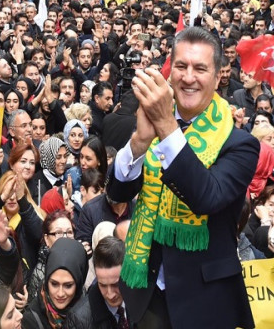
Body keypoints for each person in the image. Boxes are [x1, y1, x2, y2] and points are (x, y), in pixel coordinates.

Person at [107, 27, 259, 328]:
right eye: (181, 67)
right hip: (147, 292)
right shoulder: (151, 123)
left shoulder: (240, 144)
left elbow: (206, 197)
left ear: (218, 77)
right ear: (170, 70)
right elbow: (117, 191)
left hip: (204, 302)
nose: (188, 78)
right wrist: (139, 141)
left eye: (200, 69)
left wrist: (166, 125)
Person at [22, 237, 90, 329]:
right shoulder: (31, 319)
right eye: (54, 284)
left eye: (68, 286)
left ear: (78, 284)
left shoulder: (90, 310)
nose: (60, 293)